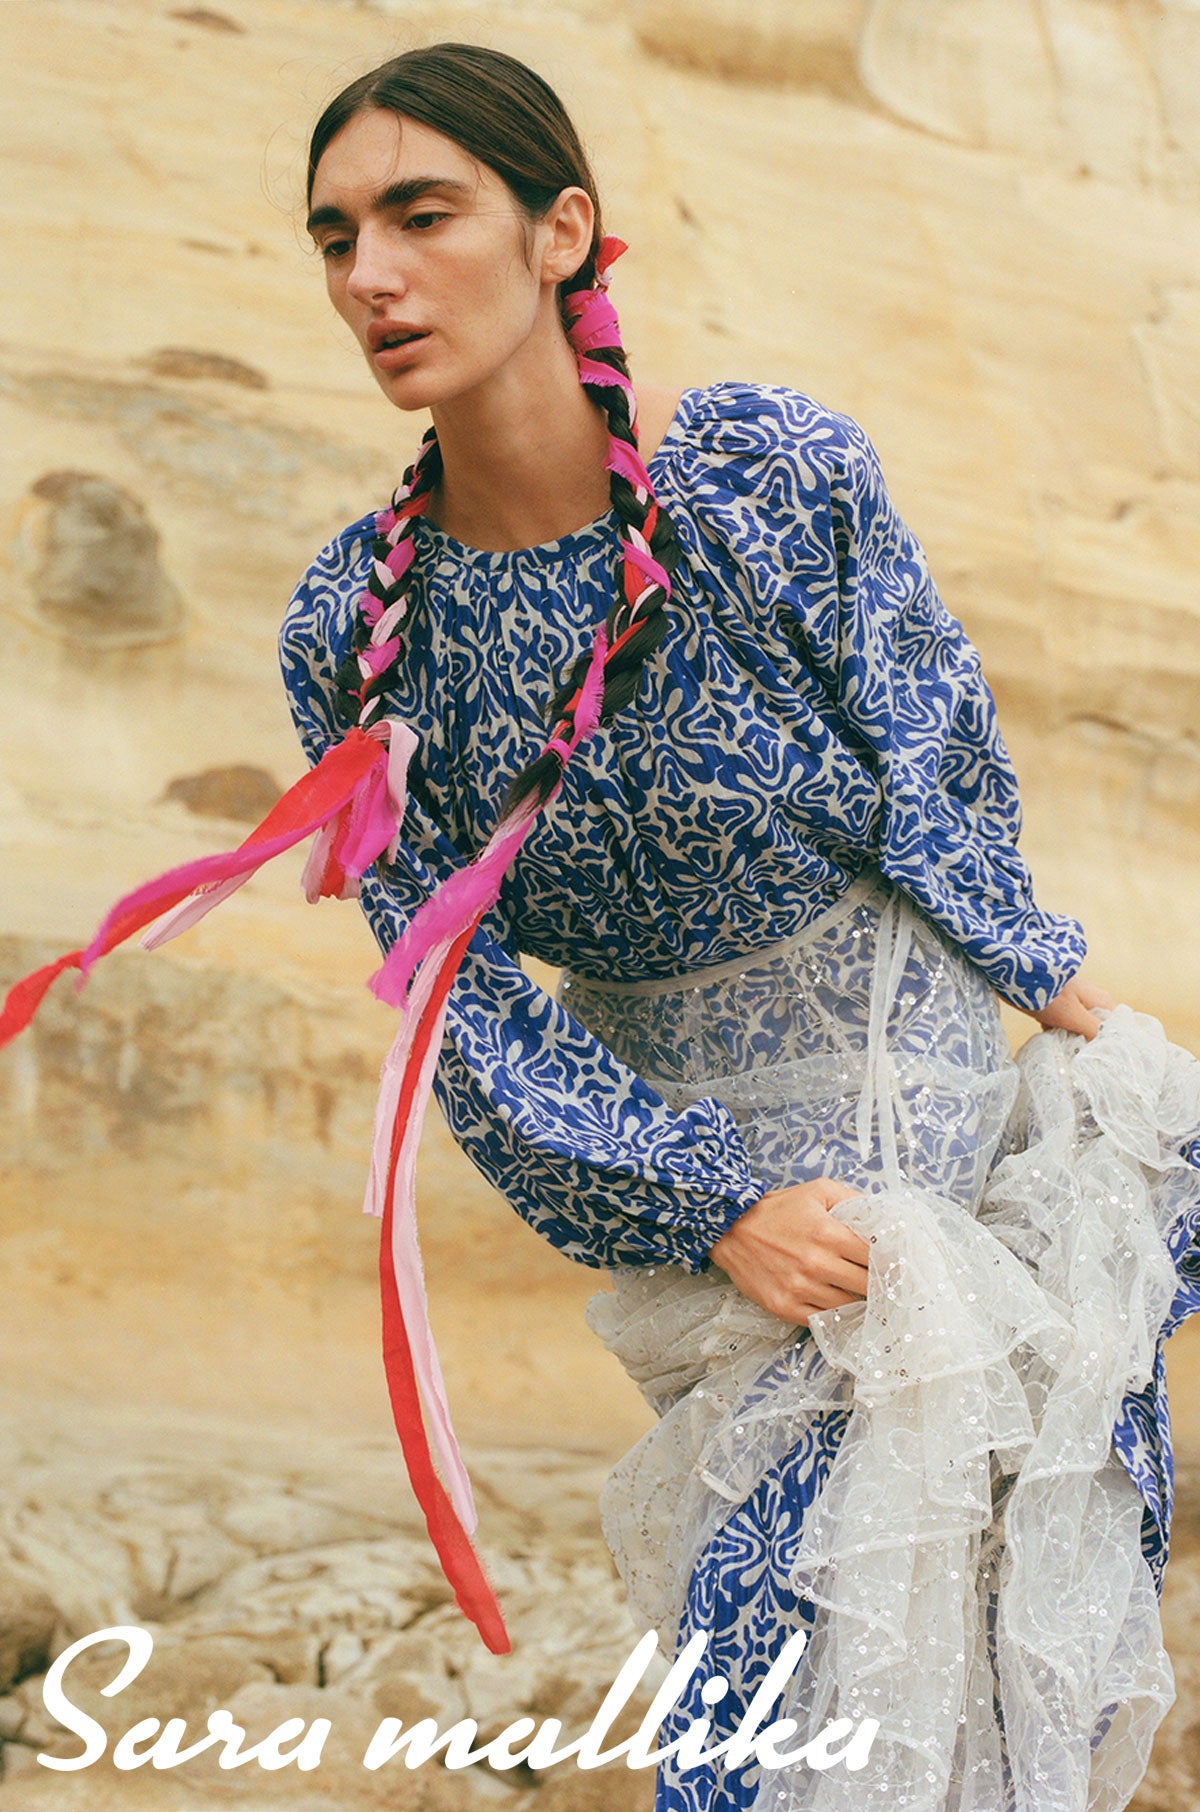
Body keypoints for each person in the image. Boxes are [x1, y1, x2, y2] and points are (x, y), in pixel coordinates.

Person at [3, 37, 1194, 1812]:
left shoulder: (764, 476)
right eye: (335, 237)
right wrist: (709, 1204)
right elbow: (455, 995)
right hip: (684, 1166)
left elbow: (926, 735)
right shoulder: (357, 626)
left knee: (891, 1575)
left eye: (423, 215)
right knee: (785, 1635)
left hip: (899, 1069)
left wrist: (1041, 963)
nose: (371, 276)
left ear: (560, 232)